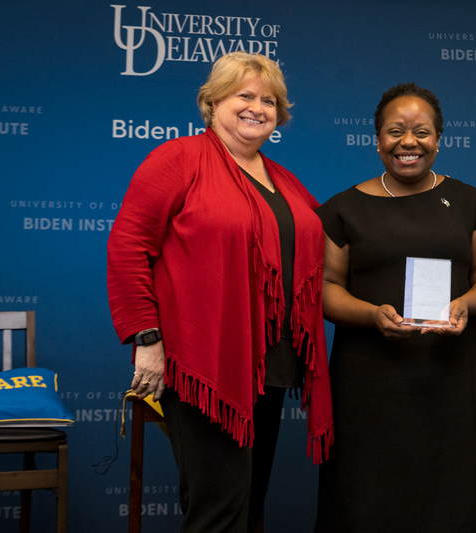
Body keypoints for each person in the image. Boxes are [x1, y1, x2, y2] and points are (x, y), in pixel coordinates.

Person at [107, 52, 333, 533]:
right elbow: (129, 245)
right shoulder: (179, 158)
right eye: (243, 96)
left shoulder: (284, 180)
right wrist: (147, 341)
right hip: (203, 364)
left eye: (268, 100)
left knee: (248, 503)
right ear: (212, 104)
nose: (257, 107)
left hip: (270, 363)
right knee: (219, 508)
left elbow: (324, 251)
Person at [314, 82, 476, 532]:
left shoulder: (471, 202)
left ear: (439, 139)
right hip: (368, 384)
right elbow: (327, 288)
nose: (408, 142)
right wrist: (371, 315)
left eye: (421, 132)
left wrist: (464, 304)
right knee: (367, 505)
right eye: (395, 131)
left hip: (449, 379)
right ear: (377, 139)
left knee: (451, 506)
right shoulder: (343, 210)